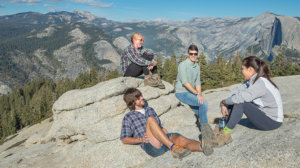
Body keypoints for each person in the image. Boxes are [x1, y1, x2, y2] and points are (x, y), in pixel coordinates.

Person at [120, 88, 214, 159]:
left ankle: (202, 147)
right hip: (151, 145)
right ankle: (173, 148)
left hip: (163, 140)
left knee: (179, 138)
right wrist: (140, 139)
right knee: (150, 119)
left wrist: (162, 129)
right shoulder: (128, 117)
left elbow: (158, 127)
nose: (142, 98)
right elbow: (124, 139)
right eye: (138, 97)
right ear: (132, 102)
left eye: (141, 95)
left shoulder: (150, 109)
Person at [216, 56, 283, 146]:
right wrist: (224, 104)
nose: (241, 71)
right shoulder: (250, 81)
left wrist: (225, 102)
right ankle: (223, 126)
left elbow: (241, 98)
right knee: (233, 100)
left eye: (242, 68)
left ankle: (226, 134)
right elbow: (235, 93)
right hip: (263, 115)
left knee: (241, 102)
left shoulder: (260, 83)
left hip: (272, 122)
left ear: (250, 69)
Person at [175, 44, 217, 152]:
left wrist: (200, 94)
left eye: (195, 54)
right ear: (188, 54)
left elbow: (198, 82)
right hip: (182, 92)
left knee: (200, 111)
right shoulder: (182, 65)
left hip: (190, 93)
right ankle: (205, 135)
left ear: (197, 54)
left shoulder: (197, 67)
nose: (193, 55)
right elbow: (185, 83)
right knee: (203, 104)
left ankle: (208, 134)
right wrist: (197, 94)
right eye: (191, 54)